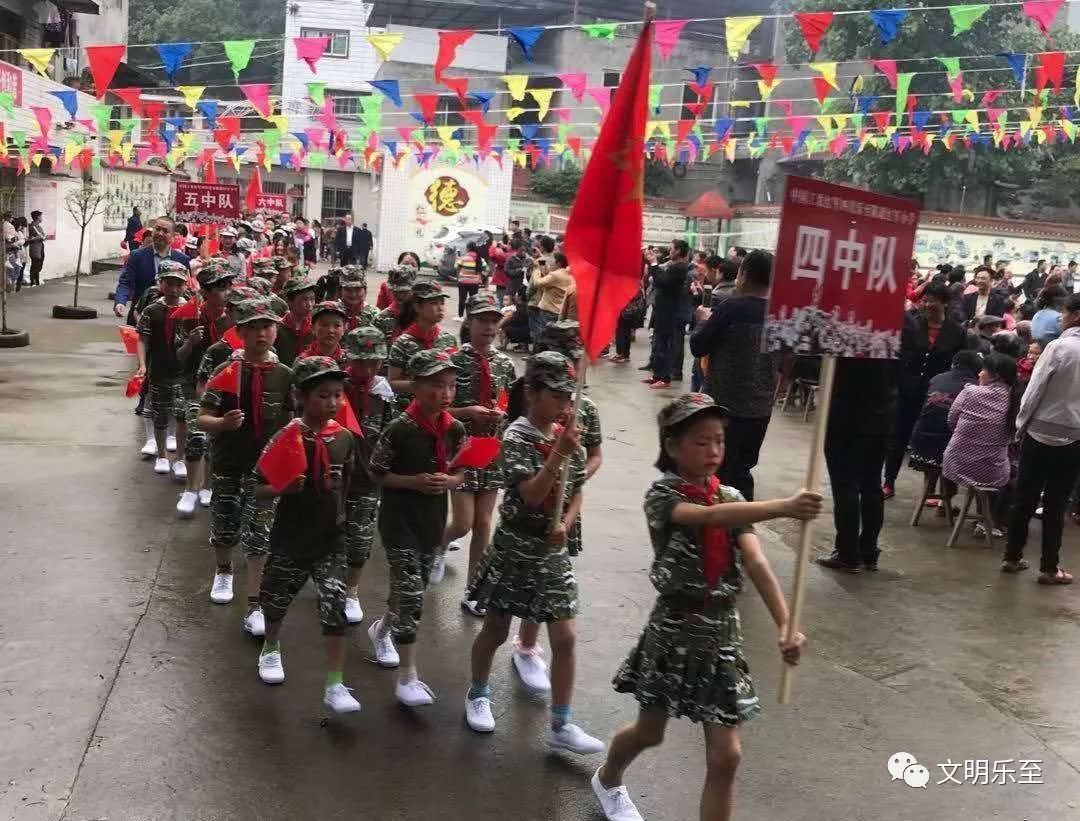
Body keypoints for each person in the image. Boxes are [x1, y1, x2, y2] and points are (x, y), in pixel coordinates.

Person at [592, 394, 821, 821]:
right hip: (674, 626)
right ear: (673, 445)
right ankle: (607, 777)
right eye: (700, 441)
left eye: (718, 441)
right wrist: (786, 507)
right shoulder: (663, 496)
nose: (713, 450)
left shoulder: (731, 494)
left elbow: (755, 560)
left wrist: (787, 625)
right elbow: (708, 518)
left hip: (721, 634)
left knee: (726, 756)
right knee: (649, 731)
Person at [464, 353, 604, 755]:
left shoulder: (566, 435)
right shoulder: (517, 438)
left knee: (565, 637)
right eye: (557, 395)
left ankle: (562, 722)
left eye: (568, 396)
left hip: (552, 551)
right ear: (532, 393)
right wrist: (558, 452)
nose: (565, 404)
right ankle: (477, 693)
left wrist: (566, 522)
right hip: (516, 547)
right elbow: (530, 496)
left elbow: (576, 489)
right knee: (495, 629)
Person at [253, 356, 361, 714]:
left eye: (337, 395)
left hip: (331, 538)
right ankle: (270, 646)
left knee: (335, 608)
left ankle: (335, 682)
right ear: (300, 397)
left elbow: (352, 485)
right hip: (292, 536)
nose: (331, 403)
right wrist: (283, 487)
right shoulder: (287, 436)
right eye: (322, 395)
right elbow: (256, 488)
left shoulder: (344, 438)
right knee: (276, 599)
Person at [367, 350, 466, 705]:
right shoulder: (399, 429)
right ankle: (408, 676)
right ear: (416, 387)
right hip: (399, 521)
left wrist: (448, 482)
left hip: (432, 522)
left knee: (413, 590)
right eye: (437, 386)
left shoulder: (454, 428)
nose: (445, 394)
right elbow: (376, 472)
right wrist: (414, 482)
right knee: (411, 592)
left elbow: (464, 470)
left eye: (451, 386)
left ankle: (383, 629)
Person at [197, 297, 293, 618]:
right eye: (252, 329)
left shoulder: (284, 375)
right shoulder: (227, 371)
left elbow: (293, 421)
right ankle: (223, 572)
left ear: (276, 330)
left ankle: (256, 603)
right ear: (240, 333)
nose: (261, 335)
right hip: (228, 462)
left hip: (265, 469)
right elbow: (202, 418)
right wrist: (222, 423)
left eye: (267, 327)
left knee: (259, 534)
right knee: (225, 525)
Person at [441, 293, 517, 614]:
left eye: (493, 321)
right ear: (469, 322)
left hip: (492, 450)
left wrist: (503, 416)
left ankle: (474, 589)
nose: (488, 327)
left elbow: (511, 406)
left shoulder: (505, 363)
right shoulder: (452, 362)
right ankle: (437, 546)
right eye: (482, 320)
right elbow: (440, 410)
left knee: (485, 523)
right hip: (461, 447)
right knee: (463, 523)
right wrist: (468, 411)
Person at [1002, 294, 1080, 583]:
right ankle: (1049, 568)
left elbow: (1034, 390)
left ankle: (1011, 557)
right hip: (1073, 440)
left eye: (1064, 313)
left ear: (1075, 316)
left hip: (1039, 433)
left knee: (1025, 497)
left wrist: (1021, 426)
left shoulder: (1058, 348)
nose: (1060, 317)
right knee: (1056, 505)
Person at [690, 250, 778, 500]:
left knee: (717, 472)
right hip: (760, 409)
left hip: (724, 405)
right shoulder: (779, 315)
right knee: (742, 470)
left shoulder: (731, 308)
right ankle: (741, 528)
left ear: (743, 275)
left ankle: (717, 530)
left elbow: (698, 346)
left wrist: (703, 321)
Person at [882, 281, 967, 498]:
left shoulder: (957, 332)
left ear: (945, 303)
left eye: (933, 301)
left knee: (933, 440)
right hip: (906, 390)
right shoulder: (911, 324)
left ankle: (929, 490)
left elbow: (956, 365)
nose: (927, 305)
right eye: (925, 300)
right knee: (897, 436)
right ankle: (889, 481)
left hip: (937, 397)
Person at [816, 357, 899, 573]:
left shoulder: (849, 327)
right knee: (871, 484)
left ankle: (847, 553)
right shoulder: (903, 325)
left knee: (845, 484)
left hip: (847, 414)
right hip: (882, 413)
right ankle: (869, 550)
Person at [173, 261, 237, 517]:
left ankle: (208, 486)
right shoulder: (188, 317)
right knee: (196, 436)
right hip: (193, 385)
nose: (227, 292)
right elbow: (177, 356)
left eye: (228, 286)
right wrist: (190, 343)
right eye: (221, 288)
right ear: (207, 292)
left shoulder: (233, 321)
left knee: (216, 441)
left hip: (224, 386)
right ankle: (190, 489)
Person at [340, 327, 395, 624]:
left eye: (374, 362)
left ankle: (351, 591)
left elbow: (391, 436)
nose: (369, 368)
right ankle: (332, 585)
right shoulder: (334, 386)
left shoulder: (384, 394)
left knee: (360, 541)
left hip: (366, 480)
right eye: (362, 361)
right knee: (328, 536)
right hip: (333, 480)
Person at [940, 353, 1019, 535]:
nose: (979, 374)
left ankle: (982, 519)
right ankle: (992, 522)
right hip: (993, 472)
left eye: (983, 370)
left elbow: (951, 420)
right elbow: (1015, 436)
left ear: (995, 375)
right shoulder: (1015, 400)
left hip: (955, 464)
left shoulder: (970, 392)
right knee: (1014, 475)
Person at [135, 261, 190, 478]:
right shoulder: (152, 310)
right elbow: (142, 339)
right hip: (159, 369)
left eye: (178, 284)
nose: (174, 288)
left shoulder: (191, 309)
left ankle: (180, 458)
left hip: (184, 372)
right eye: (169, 283)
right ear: (161, 284)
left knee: (183, 416)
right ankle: (161, 455)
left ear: (185, 285)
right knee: (160, 414)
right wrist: (142, 365)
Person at [906, 350, 983, 477]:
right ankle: (946, 494)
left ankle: (930, 490)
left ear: (953, 364)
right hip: (950, 449)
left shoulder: (936, 379)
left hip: (920, 443)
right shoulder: (975, 387)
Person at [385, 281, 457, 410]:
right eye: (433, 303)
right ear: (417, 307)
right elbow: (393, 382)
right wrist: (421, 385)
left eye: (442, 303)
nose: (440, 308)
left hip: (442, 409)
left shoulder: (448, 339)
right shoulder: (403, 343)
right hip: (411, 410)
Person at [114, 217, 190, 323]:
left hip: (171, 320)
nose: (160, 233)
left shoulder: (182, 259)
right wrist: (120, 302)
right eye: (157, 229)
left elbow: (187, 288)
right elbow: (126, 282)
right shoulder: (137, 256)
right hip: (139, 316)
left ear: (173, 235)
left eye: (165, 231)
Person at [643, 241, 694, 390]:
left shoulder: (680, 268)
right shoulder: (672, 265)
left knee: (665, 345)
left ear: (678, 251)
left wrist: (653, 264)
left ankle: (664, 377)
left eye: (671, 249)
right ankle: (657, 375)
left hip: (670, 311)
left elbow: (661, 281)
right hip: (663, 310)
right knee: (658, 343)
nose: (669, 252)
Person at [530, 251, 574, 340]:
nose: (550, 263)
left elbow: (537, 283)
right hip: (558, 310)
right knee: (553, 338)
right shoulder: (568, 273)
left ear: (558, 263)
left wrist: (536, 270)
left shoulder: (555, 275)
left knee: (544, 337)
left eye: (552, 261)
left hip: (548, 311)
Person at [274, 276, 317, 366]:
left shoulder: (316, 328)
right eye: (304, 299)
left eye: (312, 299)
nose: (309, 304)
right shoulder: (277, 329)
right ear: (289, 301)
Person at [374, 266, 420, 347]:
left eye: (404, 291)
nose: (399, 295)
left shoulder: (422, 315)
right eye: (395, 291)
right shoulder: (381, 318)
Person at [339, 266, 378, 331]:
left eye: (358, 289)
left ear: (365, 290)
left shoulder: (375, 315)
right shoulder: (332, 312)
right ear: (340, 290)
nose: (353, 294)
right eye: (347, 289)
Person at [455, 242, 484, 318]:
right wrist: (480, 277)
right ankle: (471, 316)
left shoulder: (463, 258)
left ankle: (460, 316)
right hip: (475, 283)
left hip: (463, 282)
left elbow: (456, 268)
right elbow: (486, 269)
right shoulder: (480, 259)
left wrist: (458, 278)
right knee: (473, 300)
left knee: (462, 299)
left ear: (468, 248)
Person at [26, 210, 44, 287]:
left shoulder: (39, 227)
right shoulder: (32, 226)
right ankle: (33, 282)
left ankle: (36, 281)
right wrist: (39, 237)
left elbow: (43, 235)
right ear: (37, 217)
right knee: (35, 264)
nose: (41, 218)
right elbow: (38, 236)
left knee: (39, 263)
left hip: (40, 246)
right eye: (40, 216)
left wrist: (42, 237)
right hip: (35, 247)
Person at [489, 238, 509, 306]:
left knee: (501, 302)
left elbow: (492, 255)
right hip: (508, 282)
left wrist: (493, 246)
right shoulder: (513, 254)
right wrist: (504, 247)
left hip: (502, 282)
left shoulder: (503, 256)